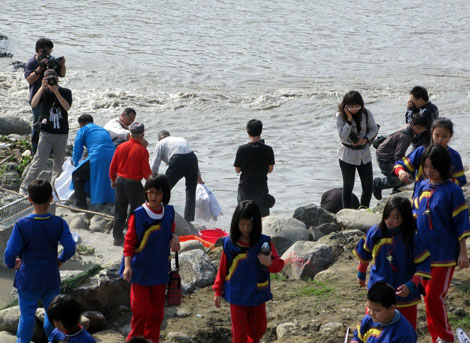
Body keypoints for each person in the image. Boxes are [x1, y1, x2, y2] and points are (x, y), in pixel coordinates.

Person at [4, 180, 76, 343]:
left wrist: (11, 264)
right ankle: (53, 339)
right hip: (50, 276)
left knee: (27, 316)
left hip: (28, 278)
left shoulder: (22, 225)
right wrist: (60, 259)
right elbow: (70, 247)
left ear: (29, 199)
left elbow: (9, 253)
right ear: (51, 198)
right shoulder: (59, 223)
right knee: (52, 315)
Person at [412, 144, 469, 343]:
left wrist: (463, 254)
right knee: (427, 297)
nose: (429, 171)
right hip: (423, 254)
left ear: (443, 166)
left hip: (444, 254)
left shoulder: (453, 190)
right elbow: (415, 214)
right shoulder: (421, 185)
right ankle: (436, 336)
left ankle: (446, 337)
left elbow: (461, 223)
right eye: (426, 167)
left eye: (433, 168)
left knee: (434, 296)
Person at [353, 197, 431, 329]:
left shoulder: (412, 238)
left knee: (406, 328)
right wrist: (361, 273)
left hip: (404, 292)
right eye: (387, 216)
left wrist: (412, 284)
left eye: (395, 217)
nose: (390, 220)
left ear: (405, 218)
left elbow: (424, 263)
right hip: (378, 288)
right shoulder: (375, 232)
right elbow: (364, 253)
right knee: (374, 324)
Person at [213, 200, 284, 343]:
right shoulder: (229, 244)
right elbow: (223, 268)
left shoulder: (264, 243)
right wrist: (217, 291)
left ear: (256, 224)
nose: (245, 229)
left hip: (257, 293)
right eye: (242, 224)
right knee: (239, 335)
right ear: (236, 223)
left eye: (249, 225)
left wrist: (269, 263)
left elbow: (279, 265)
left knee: (259, 329)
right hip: (236, 295)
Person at [120, 175, 180, 343]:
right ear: (146, 193)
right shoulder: (138, 215)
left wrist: (175, 237)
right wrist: (127, 266)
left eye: (158, 193)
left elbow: (171, 230)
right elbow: (129, 242)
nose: (153, 196)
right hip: (139, 270)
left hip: (159, 270)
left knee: (156, 313)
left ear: (164, 194)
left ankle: (152, 340)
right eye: (150, 192)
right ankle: (134, 340)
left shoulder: (168, 212)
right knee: (140, 311)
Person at [19, 68, 72, 195]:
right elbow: (33, 104)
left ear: (58, 79)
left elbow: (67, 107)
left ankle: (55, 189)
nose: (51, 80)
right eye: (48, 78)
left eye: (53, 77)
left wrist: (56, 92)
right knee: (39, 161)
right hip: (46, 133)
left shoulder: (65, 92)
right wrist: (42, 87)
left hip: (61, 133)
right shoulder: (43, 92)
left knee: (58, 164)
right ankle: (25, 186)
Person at [394, 118, 466, 193]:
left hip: (443, 196)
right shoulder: (421, 151)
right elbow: (398, 165)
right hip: (421, 194)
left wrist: (442, 182)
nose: (440, 139)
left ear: (450, 136)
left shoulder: (454, 156)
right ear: (432, 133)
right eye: (437, 135)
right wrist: (401, 172)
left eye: (444, 136)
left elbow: (460, 180)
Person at [109, 122, 152, 246]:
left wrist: (113, 179)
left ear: (130, 134)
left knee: (120, 209)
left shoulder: (120, 147)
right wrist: (153, 184)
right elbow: (145, 172)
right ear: (142, 135)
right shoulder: (142, 151)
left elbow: (113, 166)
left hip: (120, 181)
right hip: (133, 183)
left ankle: (117, 238)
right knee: (135, 211)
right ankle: (131, 235)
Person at [336, 91, 378, 209]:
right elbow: (343, 136)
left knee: (368, 186)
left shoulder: (366, 113)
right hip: (347, 155)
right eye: (351, 107)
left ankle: (364, 210)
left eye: (357, 106)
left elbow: (374, 129)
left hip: (364, 153)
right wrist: (349, 120)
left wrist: (365, 139)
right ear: (345, 106)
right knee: (348, 186)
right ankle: (347, 212)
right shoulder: (340, 116)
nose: (355, 109)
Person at [24, 38, 66, 154]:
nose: (49, 53)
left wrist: (62, 64)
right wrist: (40, 68)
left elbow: (62, 74)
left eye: (50, 51)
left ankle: (50, 148)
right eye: (47, 51)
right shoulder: (32, 62)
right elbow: (30, 79)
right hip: (37, 98)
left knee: (52, 122)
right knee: (38, 124)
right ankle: (35, 149)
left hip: (52, 98)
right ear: (39, 50)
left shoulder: (51, 61)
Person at [150, 130, 203, 222]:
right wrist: (199, 179)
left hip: (178, 160)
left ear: (159, 139)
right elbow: (191, 156)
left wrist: (151, 181)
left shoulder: (160, 143)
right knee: (191, 191)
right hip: (192, 159)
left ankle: (157, 214)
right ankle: (188, 220)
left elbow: (155, 164)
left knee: (163, 189)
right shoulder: (180, 139)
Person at [372, 114, 428, 200]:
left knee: (402, 177)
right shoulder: (406, 136)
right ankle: (377, 183)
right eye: (418, 128)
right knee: (396, 180)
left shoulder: (408, 127)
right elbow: (399, 155)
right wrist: (402, 170)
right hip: (385, 156)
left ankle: (396, 191)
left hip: (389, 153)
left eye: (423, 129)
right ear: (412, 125)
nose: (420, 131)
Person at [72, 114, 116, 209]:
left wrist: (75, 163)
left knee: (77, 175)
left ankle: (80, 205)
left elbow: (77, 148)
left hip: (98, 155)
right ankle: (103, 200)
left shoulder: (82, 130)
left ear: (81, 124)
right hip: (112, 155)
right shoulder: (102, 129)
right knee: (103, 177)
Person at [234, 119, 275, 217]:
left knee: (243, 219)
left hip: (245, 190)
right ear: (261, 131)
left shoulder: (242, 149)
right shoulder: (268, 149)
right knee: (262, 221)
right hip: (261, 189)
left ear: (247, 131)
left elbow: (237, 170)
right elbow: (270, 170)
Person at [351, 282, 417, 343]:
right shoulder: (368, 320)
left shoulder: (404, 333)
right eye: (369, 307)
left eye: (377, 310)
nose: (371, 313)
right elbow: (357, 338)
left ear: (392, 308)